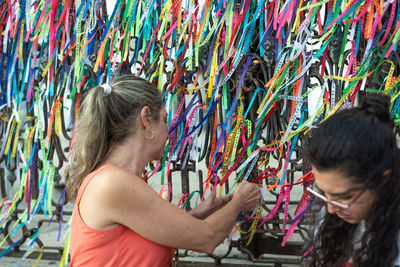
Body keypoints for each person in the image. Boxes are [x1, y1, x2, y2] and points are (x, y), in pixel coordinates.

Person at [66, 74, 260, 267]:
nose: (169, 131)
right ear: (146, 119)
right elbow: (207, 239)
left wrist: (198, 214)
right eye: (165, 120)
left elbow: (153, 231)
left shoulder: (116, 179)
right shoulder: (112, 182)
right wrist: (238, 203)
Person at [302, 94, 400, 266]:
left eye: (345, 197)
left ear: (382, 179)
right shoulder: (332, 217)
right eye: (324, 193)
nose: (330, 208)